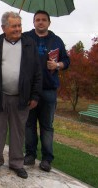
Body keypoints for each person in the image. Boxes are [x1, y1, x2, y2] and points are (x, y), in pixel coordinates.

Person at [0, 11, 42, 179]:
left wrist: (35, 96)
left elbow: (37, 72)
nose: (18, 29)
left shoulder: (29, 44)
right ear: (3, 27)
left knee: (18, 131)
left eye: (19, 25)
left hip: (22, 97)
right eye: (13, 26)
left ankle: (16, 163)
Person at [24, 10, 70, 172]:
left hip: (49, 89)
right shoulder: (26, 37)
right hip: (29, 89)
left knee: (47, 126)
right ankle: (29, 155)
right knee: (29, 124)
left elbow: (66, 60)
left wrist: (57, 65)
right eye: (37, 20)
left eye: (44, 20)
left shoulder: (56, 40)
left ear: (49, 23)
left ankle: (46, 159)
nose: (40, 22)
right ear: (33, 22)